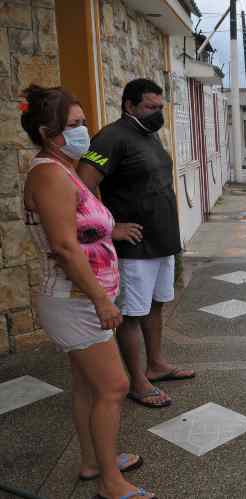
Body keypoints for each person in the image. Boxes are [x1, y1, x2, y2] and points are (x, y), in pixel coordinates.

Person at [21, 85, 156, 499]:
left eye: (83, 123)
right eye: (76, 126)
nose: (85, 132)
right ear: (49, 133)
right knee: (114, 386)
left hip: (80, 298)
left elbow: (83, 230)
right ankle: (111, 485)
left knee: (87, 385)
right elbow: (63, 246)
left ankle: (93, 461)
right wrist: (100, 299)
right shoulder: (47, 174)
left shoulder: (63, 169)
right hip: (75, 300)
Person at [78, 79, 194, 409]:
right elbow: (81, 190)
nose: (158, 113)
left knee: (155, 305)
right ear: (129, 105)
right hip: (135, 248)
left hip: (161, 242)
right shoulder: (111, 137)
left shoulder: (147, 133)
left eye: (160, 107)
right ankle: (137, 381)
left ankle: (155, 365)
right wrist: (110, 229)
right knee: (130, 314)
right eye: (150, 107)